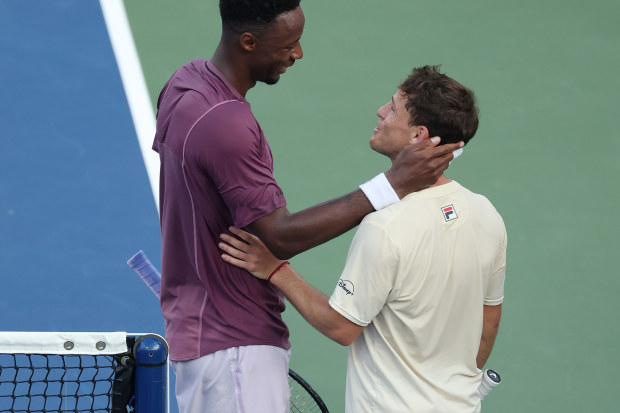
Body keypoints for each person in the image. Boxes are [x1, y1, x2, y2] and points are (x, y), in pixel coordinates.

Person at [153, 0, 464, 410]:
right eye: (289, 44)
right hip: (233, 344)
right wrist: (392, 184)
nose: (297, 54)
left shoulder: (185, 83)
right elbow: (278, 236)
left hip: (201, 330)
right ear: (249, 42)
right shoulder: (227, 125)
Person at [219, 65, 507, 413]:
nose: (381, 112)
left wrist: (275, 268)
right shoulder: (486, 214)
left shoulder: (386, 226)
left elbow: (341, 326)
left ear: (419, 135)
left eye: (393, 107)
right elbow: (488, 320)